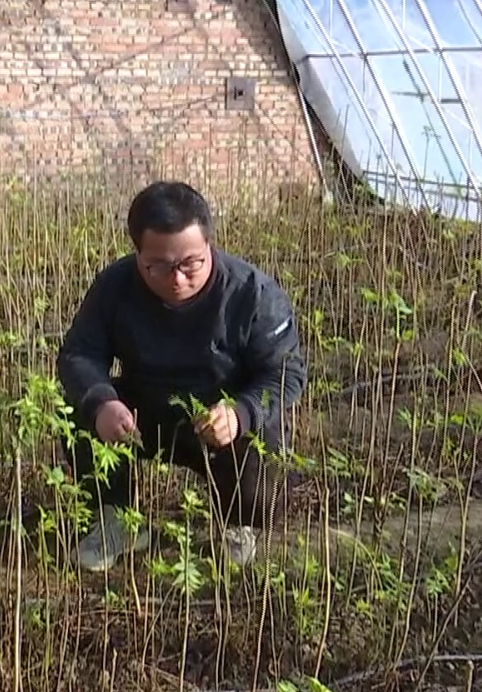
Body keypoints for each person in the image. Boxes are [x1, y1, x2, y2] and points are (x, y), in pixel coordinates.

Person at [55, 181, 307, 570]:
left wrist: (240, 413)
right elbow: (79, 353)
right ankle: (116, 520)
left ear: (209, 245)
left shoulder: (252, 293)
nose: (177, 279)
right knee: (76, 409)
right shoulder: (115, 286)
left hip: (221, 416)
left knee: (266, 438)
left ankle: (240, 523)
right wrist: (102, 403)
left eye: (191, 263)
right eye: (159, 266)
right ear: (137, 254)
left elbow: (285, 373)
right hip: (143, 414)